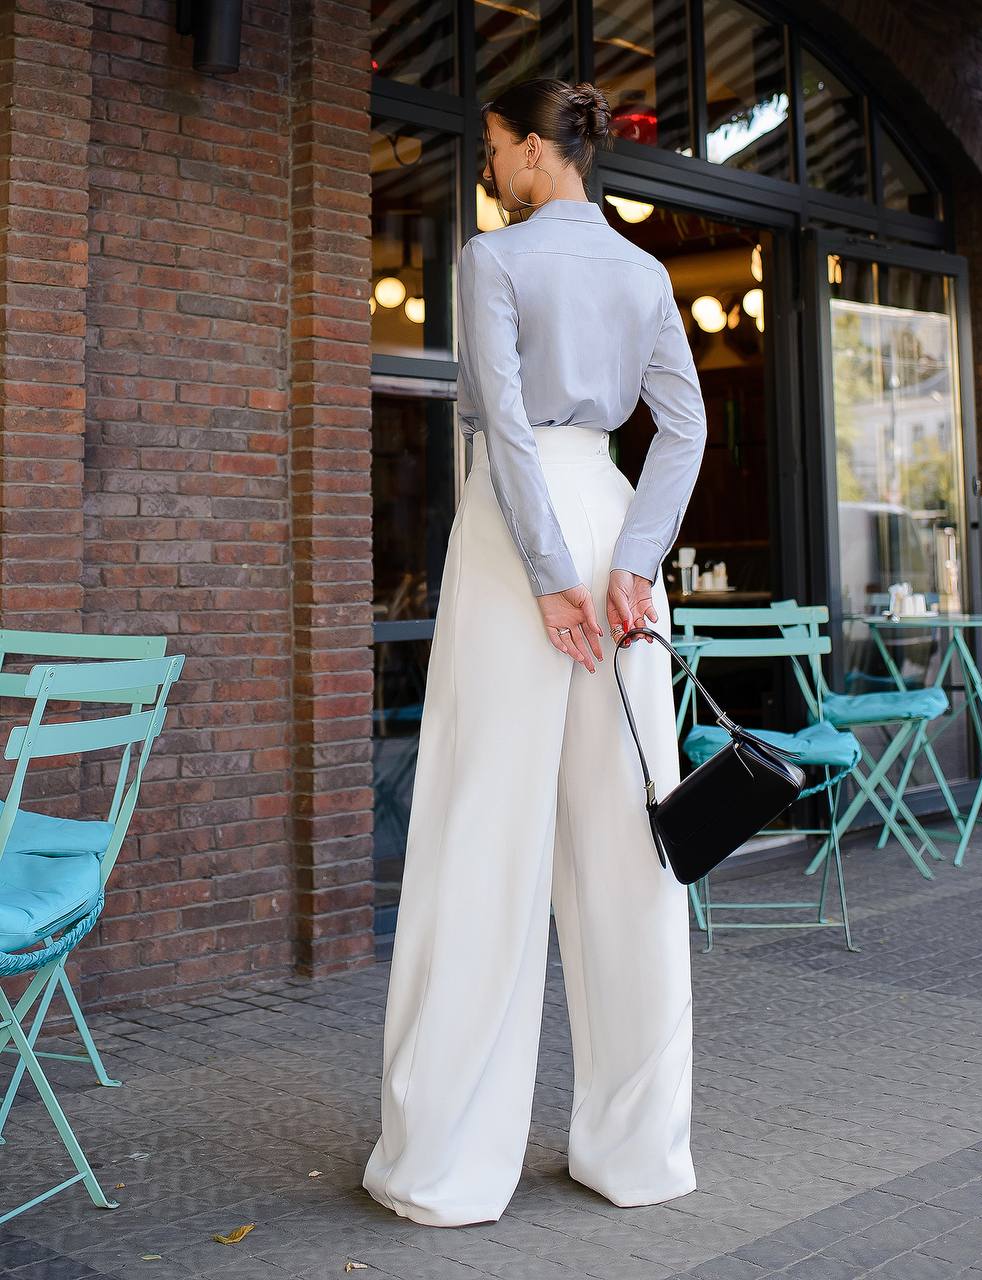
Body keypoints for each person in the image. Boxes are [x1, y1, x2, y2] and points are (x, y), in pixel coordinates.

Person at [362, 76, 709, 1229]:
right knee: (631, 841)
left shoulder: (492, 259)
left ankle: (450, 1162)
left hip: (522, 537)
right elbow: (687, 426)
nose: (484, 169)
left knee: (482, 831)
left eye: (492, 148)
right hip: (614, 519)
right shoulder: (647, 273)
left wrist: (554, 574)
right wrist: (632, 560)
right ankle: (637, 1151)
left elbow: (503, 424)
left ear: (525, 152)